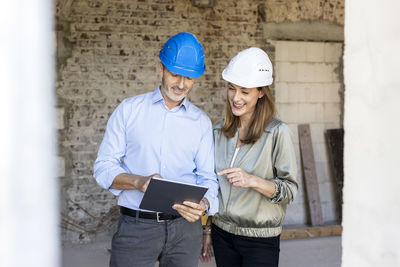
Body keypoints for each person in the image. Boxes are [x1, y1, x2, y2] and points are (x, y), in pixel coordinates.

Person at [93, 32, 219, 267]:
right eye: (175, 74)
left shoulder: (201, 122)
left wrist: (205, 205)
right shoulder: (129, 110)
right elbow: (103, 167)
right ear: (161, 68)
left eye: (189, 78)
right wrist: (138, 182)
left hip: (185, 231)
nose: (181, 85)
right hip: (137, 228)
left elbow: (207, 177)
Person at [200, 47, 298, 267]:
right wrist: (207, 230)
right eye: (232, 89)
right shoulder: (218, 132)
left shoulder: (277, 132)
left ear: (261, 92)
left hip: (260, 239)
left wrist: (252, 180)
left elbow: (290, 191)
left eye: (245, 91)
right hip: (222, 234)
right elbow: (212, 187)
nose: (236, 98)